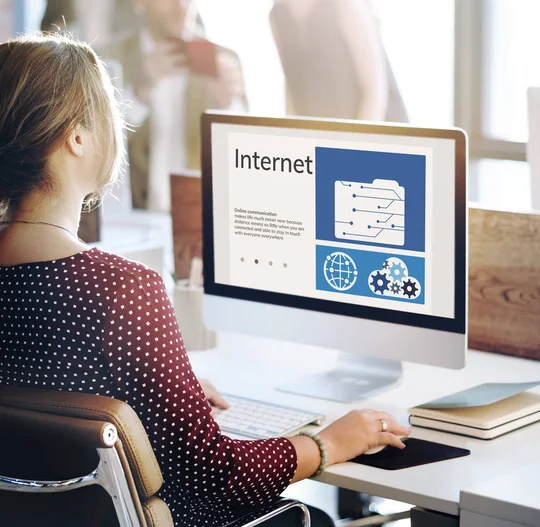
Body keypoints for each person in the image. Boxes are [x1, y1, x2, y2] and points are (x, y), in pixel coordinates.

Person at [0, 34, 410, 527]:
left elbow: (42, 386)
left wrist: (162, 387)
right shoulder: (121, 291)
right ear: (77, 137)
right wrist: (327, 444)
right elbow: (213, 476)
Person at [100, 0, 247, 212]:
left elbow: (244, 156)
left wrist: (226, 105)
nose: (182, 5)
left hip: (200, 212)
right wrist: (139, 91)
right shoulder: (108, 58)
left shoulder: (224, 59)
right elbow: (98, 145)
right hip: (131, 215)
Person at [270, 0, 409, 123]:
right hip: (328, 133)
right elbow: (293, 84)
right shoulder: (277, 15)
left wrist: (356, 144)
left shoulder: (346, 4)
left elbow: (375, 88)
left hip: (377, 127)